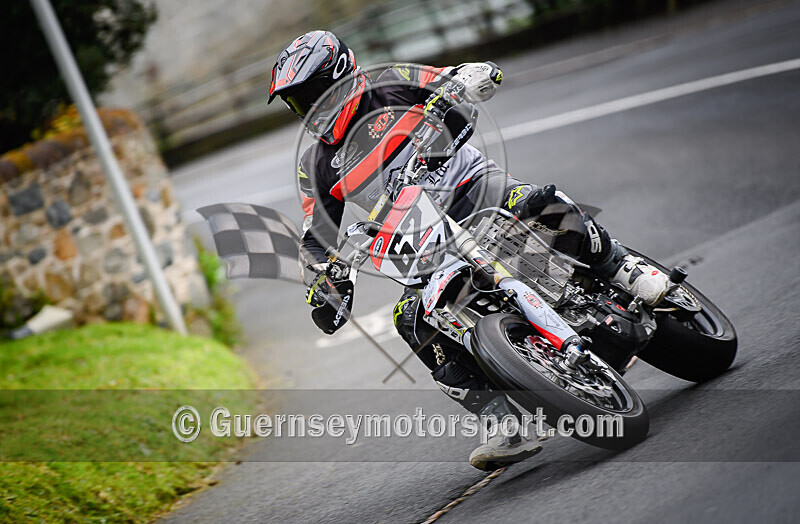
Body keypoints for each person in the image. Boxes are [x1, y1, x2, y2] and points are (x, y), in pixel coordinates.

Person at [268, 30, 671, 470]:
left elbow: (458, 79)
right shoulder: (315, 164)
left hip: (470, 188)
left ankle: (620, 266)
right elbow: (315, 234)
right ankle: (504, 423)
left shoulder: (392, 82)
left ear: (340, 73)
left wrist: (471, 80)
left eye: (310, 94)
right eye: (297, 102)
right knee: (411, 320)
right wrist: (325, 279)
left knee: (537, 203)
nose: (306, 109)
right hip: (414, 233)